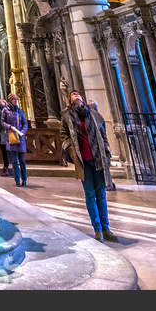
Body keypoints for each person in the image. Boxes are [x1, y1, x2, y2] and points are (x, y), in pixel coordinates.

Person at [64, 90, 117, 242]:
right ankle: (97, 229)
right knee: (90, 195)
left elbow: (103, 133)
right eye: (73, 94)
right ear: (70, 100)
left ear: (83, 98)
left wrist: (106, 149)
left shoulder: (93, 114)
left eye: (78, 93)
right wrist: (72, 151)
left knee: (101, 195)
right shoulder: (67, 116)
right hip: (83, 161)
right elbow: (64, 136)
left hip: (98, 159)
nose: (76, 95)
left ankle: (106, 228)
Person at [0, 98, 29, 187]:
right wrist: (10, 127)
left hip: (20, 137)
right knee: (14, 161)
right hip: (11, 137)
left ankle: (24, 179)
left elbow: (25, 123)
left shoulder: (19, 111)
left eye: (16, 99)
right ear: (10, 100)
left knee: (22, 161)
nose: (16, 101)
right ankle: (17, 179)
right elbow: (2, 122)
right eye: (14, 99)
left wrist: (23, 132)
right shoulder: (5, 110)